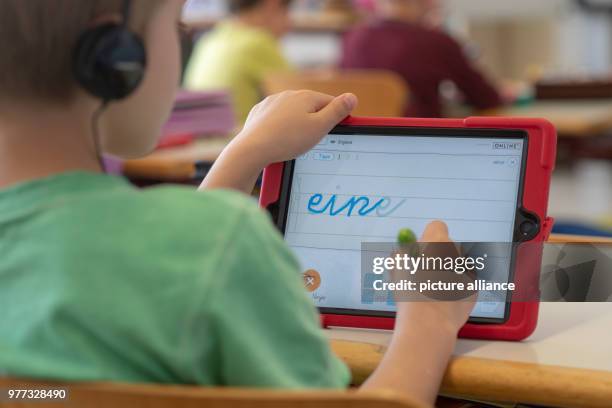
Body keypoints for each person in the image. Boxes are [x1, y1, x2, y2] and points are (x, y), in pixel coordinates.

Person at [0, 1, 474, 406]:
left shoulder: (197, 246)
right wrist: (429, 318)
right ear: (112, 56)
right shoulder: (224, 241)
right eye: (177, 27)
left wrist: (245, 152)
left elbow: (170, 264)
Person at [341, 0, 503, 118]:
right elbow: (486, 99)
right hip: (420, 142)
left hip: (360, 144)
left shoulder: (353, 37)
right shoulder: (436, 41)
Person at [184, 0, 292, 124]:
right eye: (287, 11)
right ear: (272, 4)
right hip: (238, 134)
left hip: (201, 135)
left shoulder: (209, 39)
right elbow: (300, 100)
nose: (290, 23)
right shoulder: (258, 42)